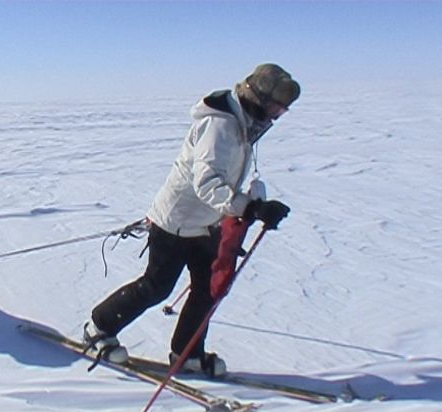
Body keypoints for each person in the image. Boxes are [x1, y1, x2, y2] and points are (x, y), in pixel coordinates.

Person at [84, 63, 300, 377]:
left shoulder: (241, 124)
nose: (274, 116)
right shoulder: (220, 127)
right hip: (175, 222)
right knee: (157, 287)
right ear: (256, 97)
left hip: (206, 224)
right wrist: (251, 210)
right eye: (274, 108)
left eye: (281, 111)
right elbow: (207, 184)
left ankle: (187, 353)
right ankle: (98, 328)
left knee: (207, 290)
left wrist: (244, 210)